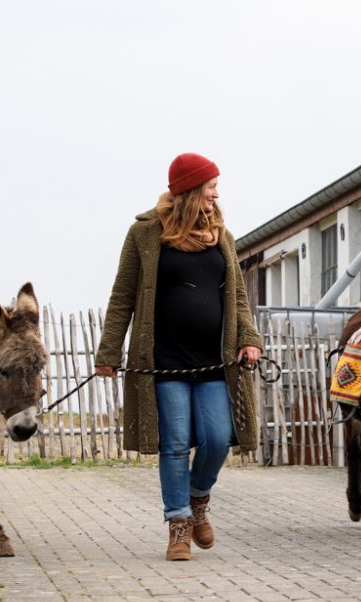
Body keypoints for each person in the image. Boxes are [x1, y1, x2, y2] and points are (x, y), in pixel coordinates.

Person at [95, 152, 264, 562]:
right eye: (210, 187)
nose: (216, 194)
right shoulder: (145, 234)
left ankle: (197, 498)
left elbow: (237, 294)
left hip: (213, 361)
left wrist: (249, 338)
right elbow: (122, 297)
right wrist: (109, 351)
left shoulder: (221, 234)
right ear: (190, 189)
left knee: (217, 438)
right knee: (174, 444)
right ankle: (179, 526)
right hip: (164, 360)